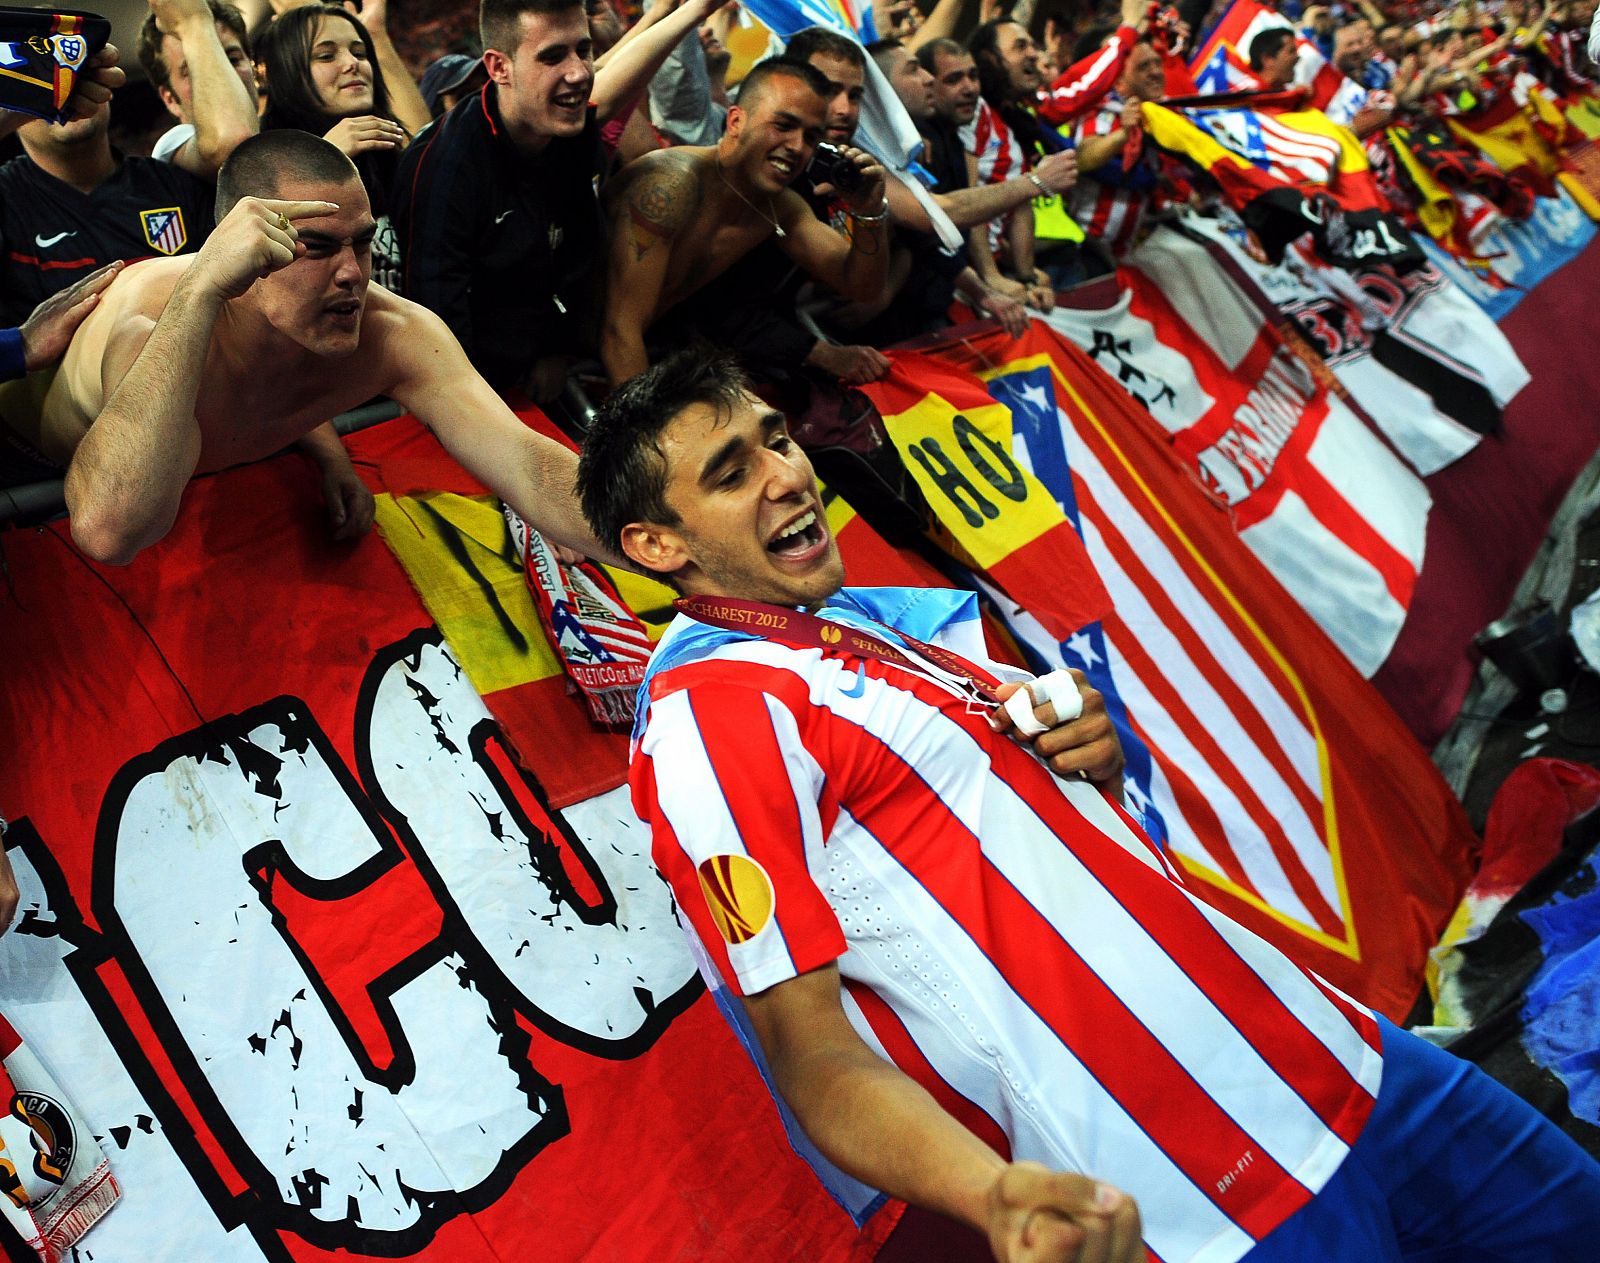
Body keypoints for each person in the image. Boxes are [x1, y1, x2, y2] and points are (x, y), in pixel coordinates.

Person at [581, 348, 1600, 1263]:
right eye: (730, 472)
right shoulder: (709, 723)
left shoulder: (860, 625)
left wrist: (1095, 769)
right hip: (1201, 1200)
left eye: (773, 438)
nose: (787, 473)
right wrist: (993, 1194)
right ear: (657, 546)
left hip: (1346, 1059)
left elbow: (1046, 866)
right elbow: (815, 1063)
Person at [26, 130, 602, 569]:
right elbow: (110, 533)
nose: (352, 274)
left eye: (361, 242)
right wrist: (200, 289)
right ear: (241, 252)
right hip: (22, 451)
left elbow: (523, 458)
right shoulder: (150, 326)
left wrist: (659, 541)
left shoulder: (391, 329)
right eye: (318, 247)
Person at [392, 0, 725, 401]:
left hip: (549, 359)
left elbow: (575, 255)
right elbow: (436, 329)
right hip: (472, 386)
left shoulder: (564, 128)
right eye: (552, 56)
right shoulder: (444, 169)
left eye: (583, 50)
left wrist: (556, 351)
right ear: (499, 68)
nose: (579, 72)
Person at [599, 58, 890, 385]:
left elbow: (863, 287)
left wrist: (868, 212)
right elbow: (618, 331)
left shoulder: (780, 208)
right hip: (569, 355)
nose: (796, 147)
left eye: (811, 137)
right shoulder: (670, 185)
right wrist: (649, 432)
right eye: (783, 126)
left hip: (642, 354)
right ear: (736, 121)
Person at [0, 59, 215, 325]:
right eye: (42, 83)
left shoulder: (175, 186)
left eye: (76, 76)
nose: (63, 93)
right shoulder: (7, 201)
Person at [254, 2, 430, 293]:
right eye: (326, 56)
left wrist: (378, 37)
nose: (352, 63)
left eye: (360, 53)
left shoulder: (382, 150)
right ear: (286, 72)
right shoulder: (261, 156)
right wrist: (323, 157)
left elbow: (426, 149)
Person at [135, 0, 261, 179]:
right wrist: (193, 23)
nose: (226, 75)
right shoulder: (172, 146)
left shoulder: (281, 126)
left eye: (233, 59)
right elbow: (235, 143)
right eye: (195, 69)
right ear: (170, 99)